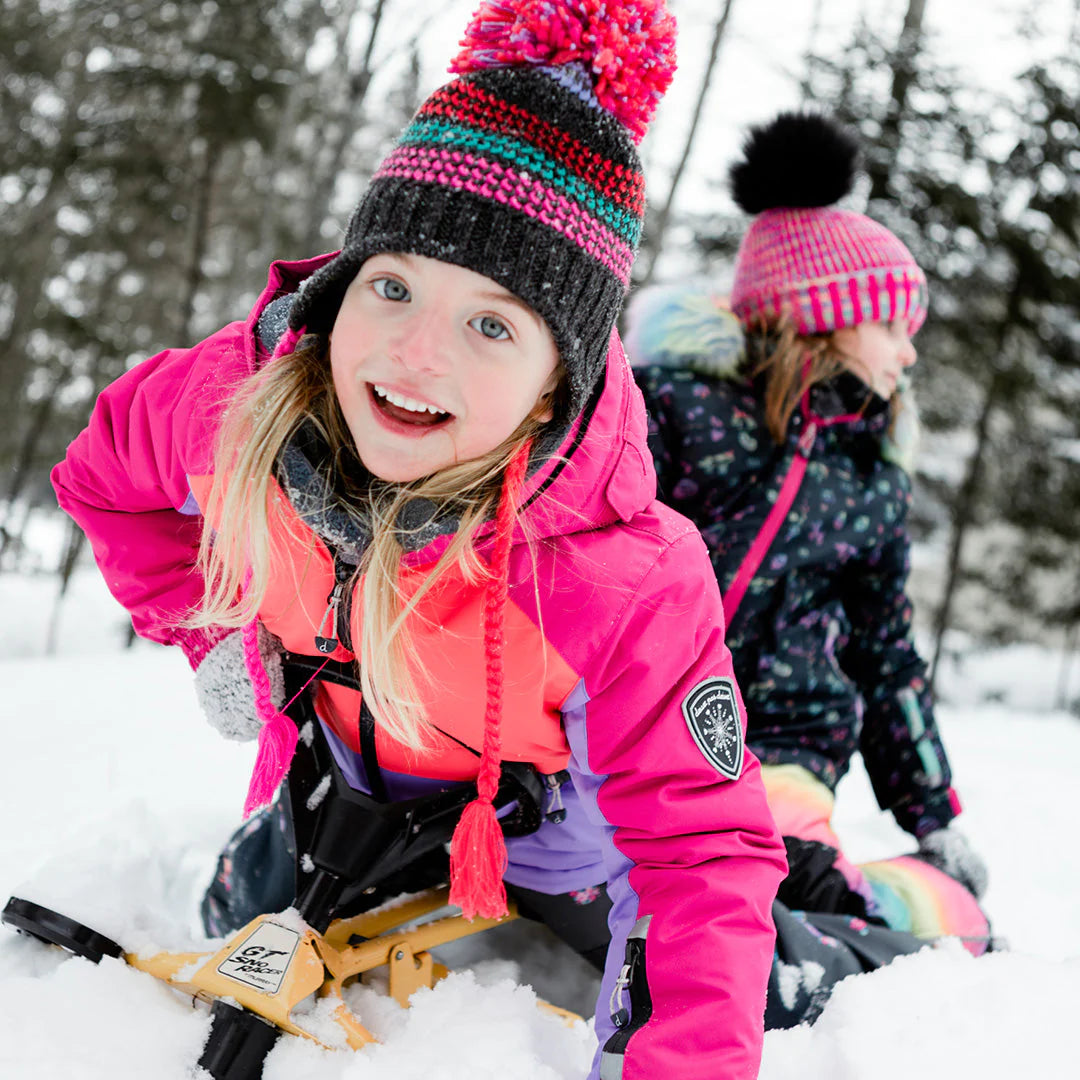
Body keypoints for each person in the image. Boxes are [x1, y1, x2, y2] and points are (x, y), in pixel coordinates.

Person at [50, 2, 788, 1076]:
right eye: (391, 286)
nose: (414, 354)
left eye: (493, 325)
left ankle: (847, 902)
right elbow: (104, 478)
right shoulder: (234, 407)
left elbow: (695, 851)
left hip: (547, 844)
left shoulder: (621, 575)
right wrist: (207, 631)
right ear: (339, 292)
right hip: (339, 789)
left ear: (556, 386)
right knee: (239, 903)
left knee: (749, 971)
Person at [629, 112, 992, 1028]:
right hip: (649, 722)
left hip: (787, 747)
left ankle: (884, 908)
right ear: (827, 319)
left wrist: (932, 811)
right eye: (895, 326)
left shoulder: (871, 474)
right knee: (650, 855)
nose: (910, 352)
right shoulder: (674, 410)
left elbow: (886, 654)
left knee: (774, 869)